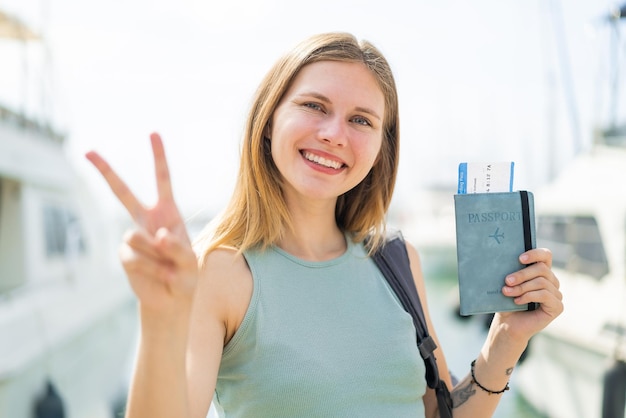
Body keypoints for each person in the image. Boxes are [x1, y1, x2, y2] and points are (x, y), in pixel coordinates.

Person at [85, 32, 563, 418]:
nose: (334, 134)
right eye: (314, 106)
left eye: (361, 120)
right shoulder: (222, 272)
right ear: (269, 120)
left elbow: (442, 415)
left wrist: (507, 337)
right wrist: (160, 319)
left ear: (380, 147)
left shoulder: (396, 258)